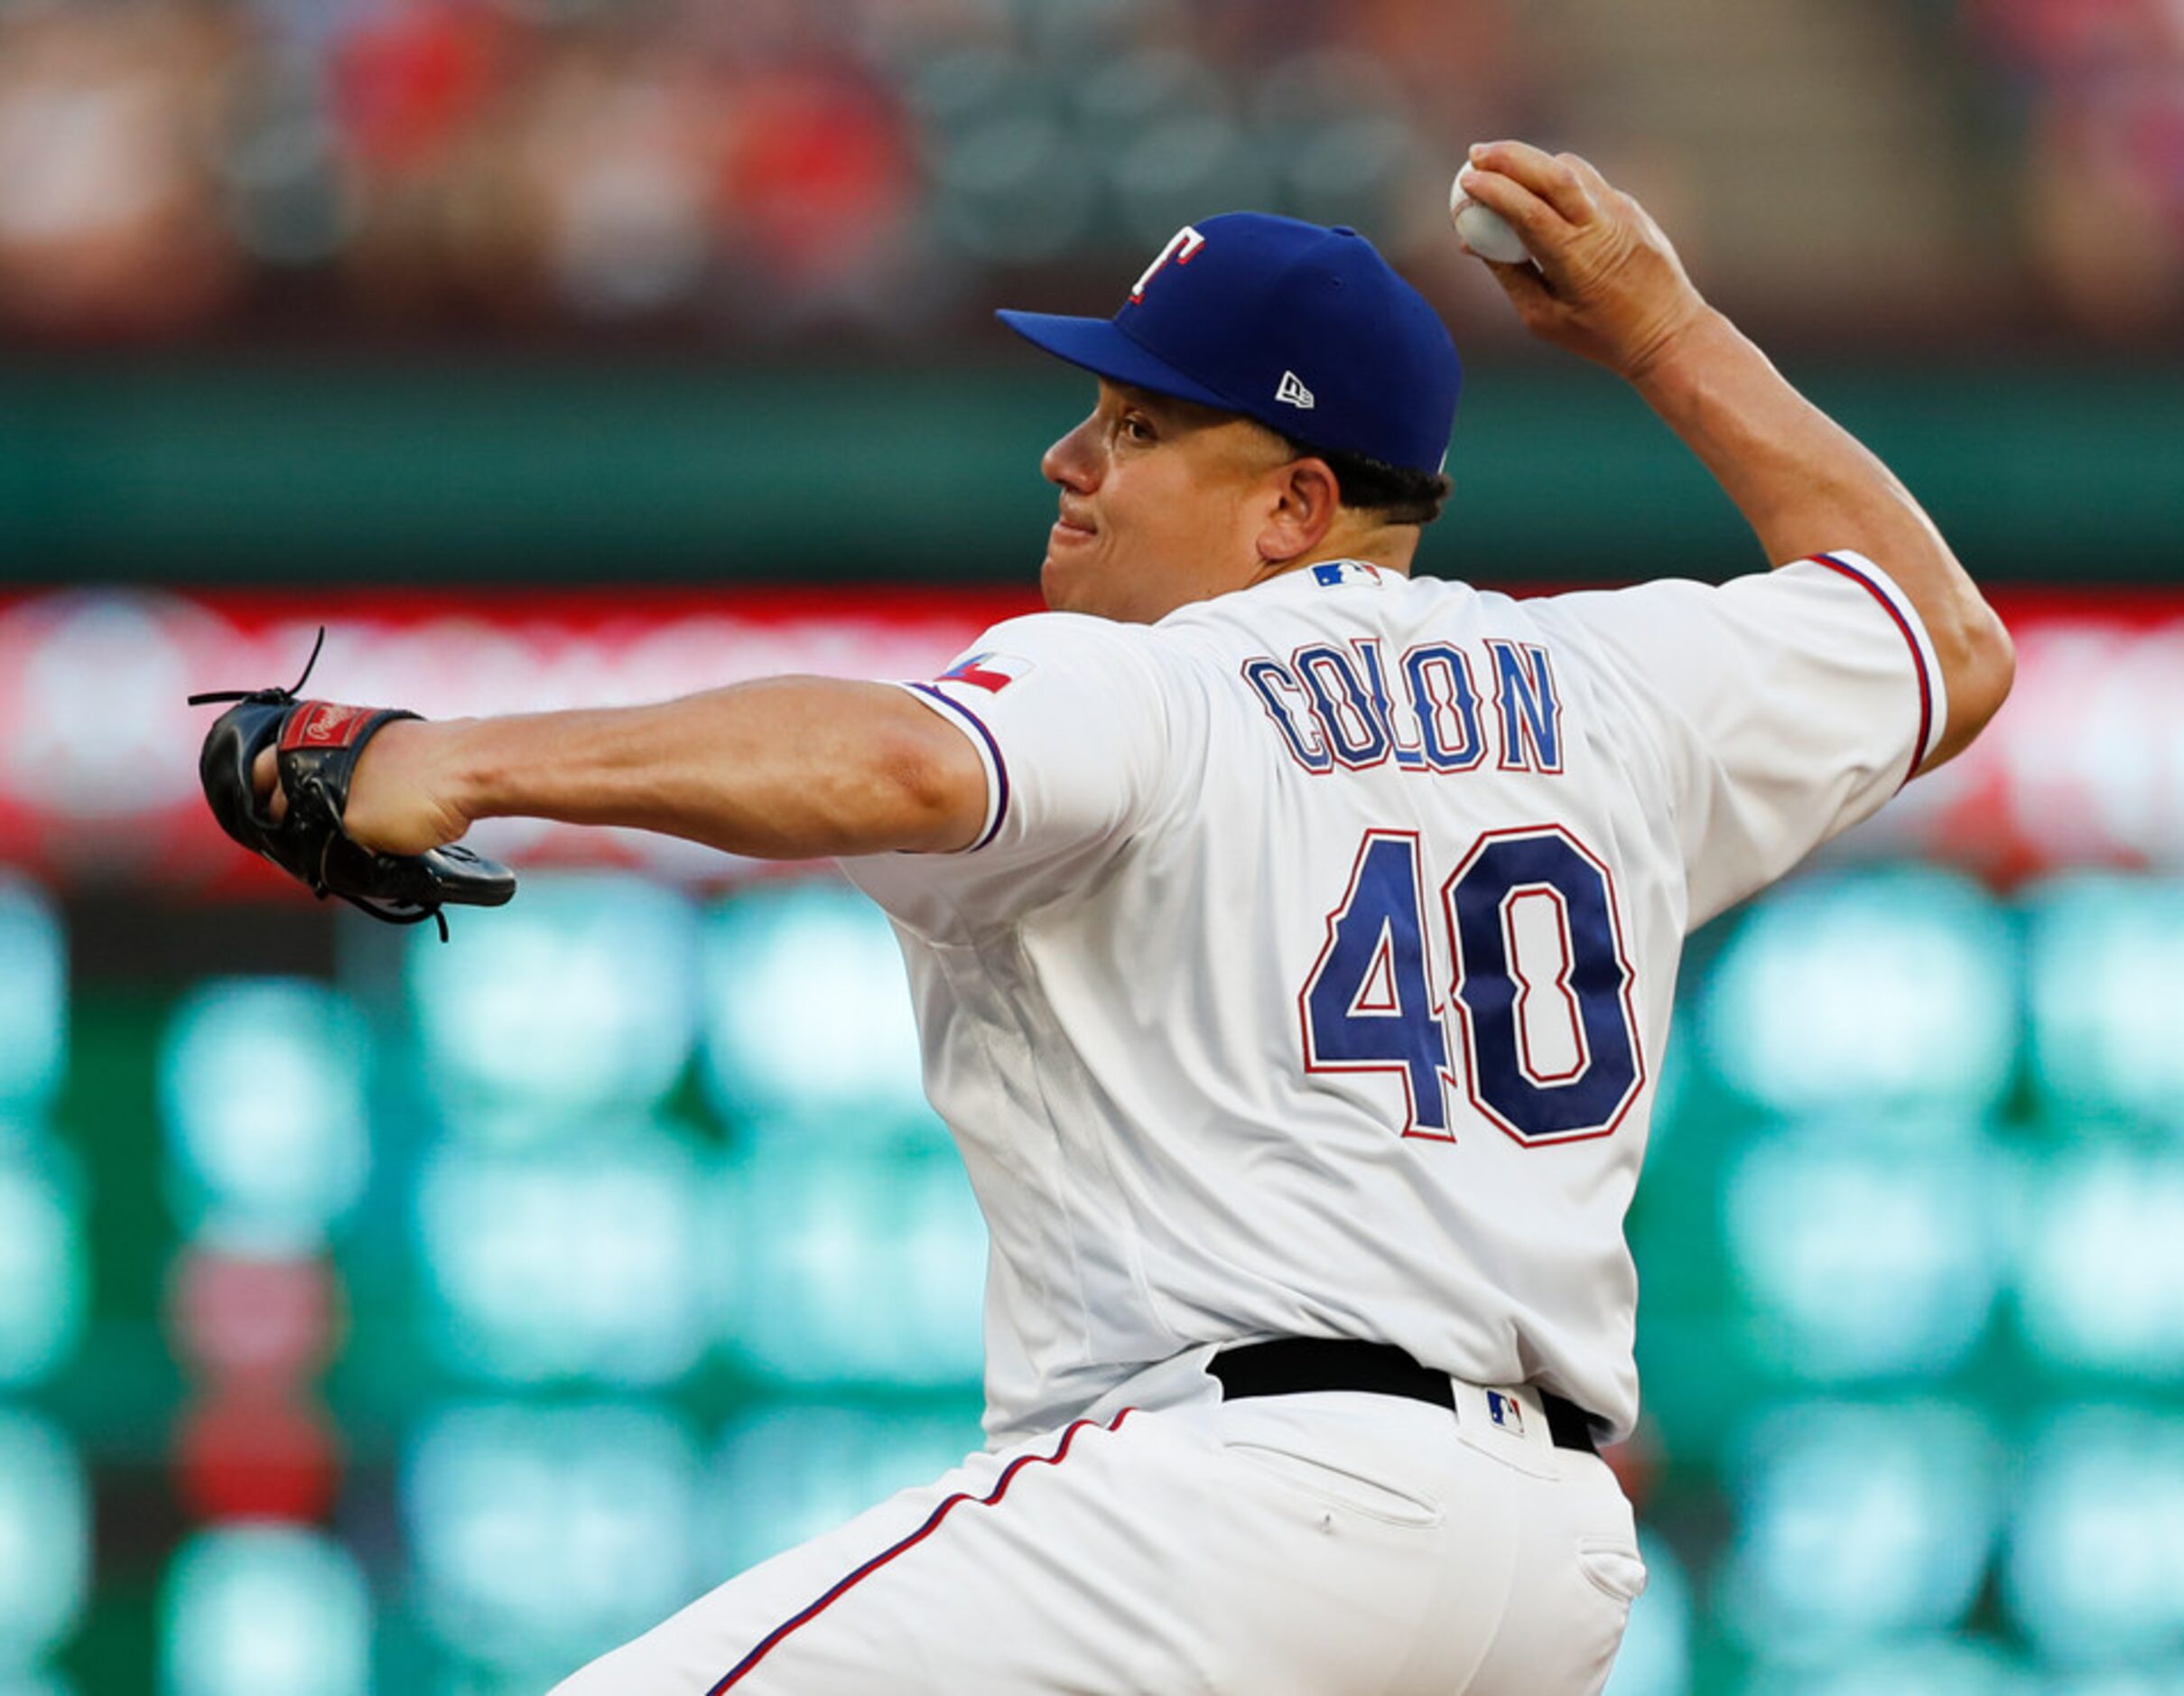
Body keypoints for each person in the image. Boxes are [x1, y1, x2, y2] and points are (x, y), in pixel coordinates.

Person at [269, 143, 2013, 1692]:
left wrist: (462, 757)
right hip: (1541, 1565)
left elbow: (893, 762)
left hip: (1227, 1509)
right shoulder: (1615, 685)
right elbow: (1941, 639)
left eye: (1140, 425)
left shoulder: (1162, 686)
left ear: (1294, 506)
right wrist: (1666, 333)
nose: (1071, 454)